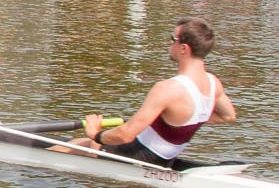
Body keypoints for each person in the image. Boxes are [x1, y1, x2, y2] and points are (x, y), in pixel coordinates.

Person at [73, 18, 236, 168]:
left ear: (183, 49)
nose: (169, 44)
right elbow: (228, 116)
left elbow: (125, 135)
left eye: (173, 39)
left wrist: (96, 133)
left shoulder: (168, 88)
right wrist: (181, 121)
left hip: (137, 157)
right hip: (164, 158)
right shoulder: (213, 83)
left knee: (89, 143)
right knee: (76, 143)